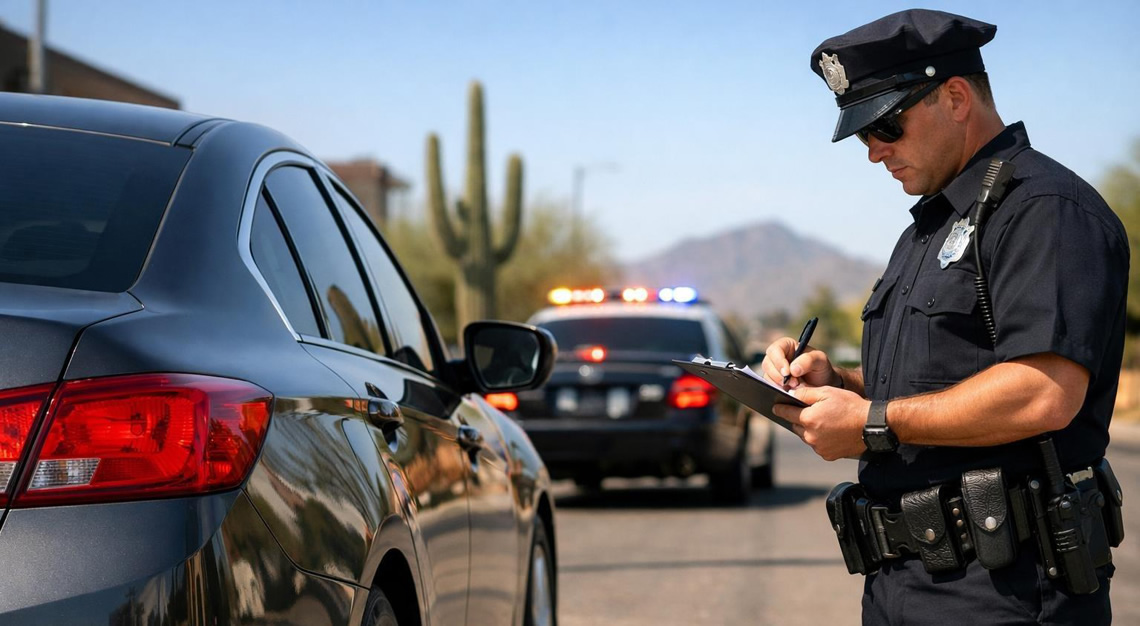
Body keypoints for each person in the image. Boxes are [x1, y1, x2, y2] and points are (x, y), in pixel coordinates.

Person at [762, 9, 1128, 625]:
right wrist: (841, 385)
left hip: (1006, 594)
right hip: (903, 583)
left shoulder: (1043, 211)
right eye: (862, 136)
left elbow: (1045, 392)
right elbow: (936, 379)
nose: (875, 153)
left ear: (955, 97)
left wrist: (873, 423)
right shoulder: (932, 226)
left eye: (887, 126)